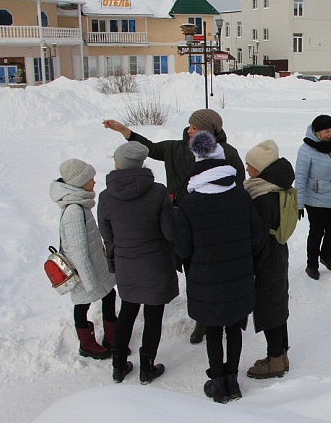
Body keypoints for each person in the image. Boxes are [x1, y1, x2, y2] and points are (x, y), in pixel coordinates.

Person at [103, 109, 244, 344]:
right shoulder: (174, 148)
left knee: (211, 269)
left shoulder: (227, 153)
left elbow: (237, 185)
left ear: (209, 132)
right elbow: (149, 148)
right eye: (190, 126)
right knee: (189, 270)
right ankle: (200, 315)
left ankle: (214, 318)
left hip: (210, 221)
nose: (189, 130)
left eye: (195, 128)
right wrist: (125, 131)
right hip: (178, 219)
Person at [174, 131, 263, 404]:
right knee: (234, 327)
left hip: (206, 278)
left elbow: (182, 249)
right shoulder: (240, 195)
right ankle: (233, 381)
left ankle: (218, 383)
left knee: (213, 329)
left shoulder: (189, 203)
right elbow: (257, 237)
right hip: (239, 275)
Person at [98, 142, 179, 384]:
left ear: (118, 164)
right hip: (156, 265)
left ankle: (119, 366)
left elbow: (107, 235)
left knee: (128, 311)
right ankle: (147, 367)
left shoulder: (105, 196)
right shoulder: (158, 192)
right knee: (154, 315)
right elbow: (170, 233)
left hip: (126, 264)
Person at [50, 159, 119, 360]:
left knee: (109, 294)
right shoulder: (74, 210)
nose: (94, 182)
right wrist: (88, 281)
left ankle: (112, 338)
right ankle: (87, 345)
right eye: (90, 179)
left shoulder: (80, 203)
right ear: (79, 182)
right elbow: (78, 249)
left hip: (96, 266)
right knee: (82, 304)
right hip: (84, 270)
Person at [242, 140, 294, 379]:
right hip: (279, 252)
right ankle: (281, 354)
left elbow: (257, 236)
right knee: (277, 303)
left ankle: (274, 360)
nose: (247, 170)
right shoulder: (278, 186)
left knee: (268, 307)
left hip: (266, 257)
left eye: (250, 166)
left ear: (260, 169)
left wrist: (248, 259)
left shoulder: (263, 195)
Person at [295, 114, 331, 280]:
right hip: (314, 198)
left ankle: (325, 256)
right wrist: (299, 204)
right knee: (317, 232)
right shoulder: (306, 150)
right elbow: (300, 178)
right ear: (316, 132)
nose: (330, 133)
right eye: (326, 131)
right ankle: (312, 265)